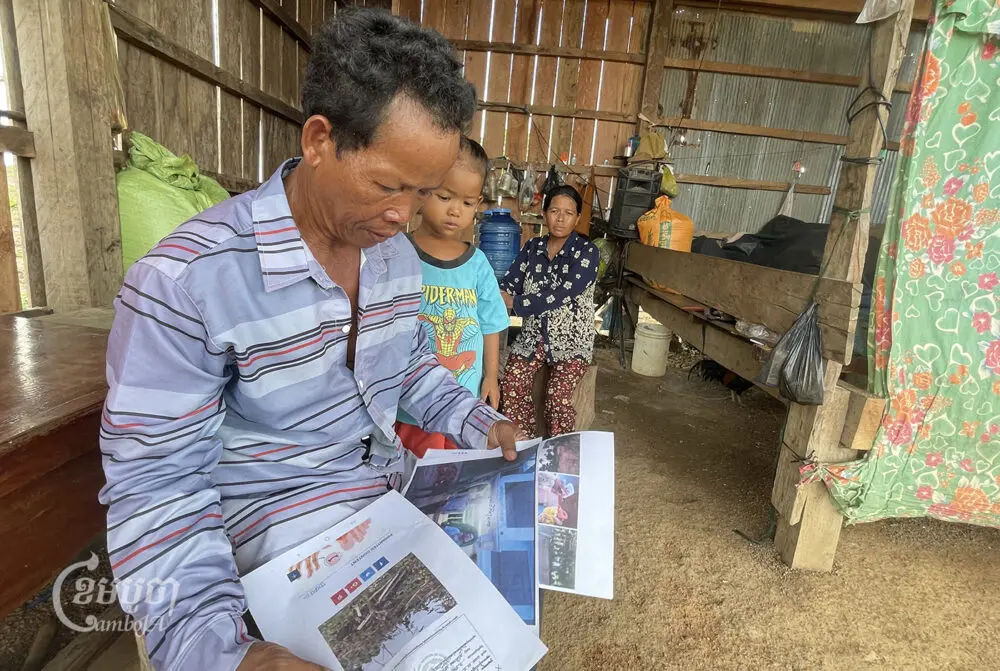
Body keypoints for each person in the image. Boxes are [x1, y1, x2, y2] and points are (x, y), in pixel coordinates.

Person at [98, 9, 522, 671]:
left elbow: (407, 364)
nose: (403, 215)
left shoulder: (393, 257)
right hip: (278, 557)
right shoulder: (186, 285)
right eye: (387, 185)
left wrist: (477, 421)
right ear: (321, 140)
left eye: (422, 192)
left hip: (389, 506)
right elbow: (159, 495)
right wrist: (225, 654)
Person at [395, 137, 509, 458]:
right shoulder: (399, 254)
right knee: (409, 473)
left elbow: (491, 324)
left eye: (468, 203)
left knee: (453, 469)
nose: (456, 210)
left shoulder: (477, 264)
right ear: (423, 188)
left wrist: (491, 377)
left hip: (462, 400)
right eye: (445, 196)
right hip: (408, 402)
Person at [499, 185, 600, 438]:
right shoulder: (532, 248)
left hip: (572, 341)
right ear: (544, 213)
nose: (561, 218)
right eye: (554, 210)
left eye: (568, 212)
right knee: (512, 382)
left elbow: (563, 294)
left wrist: (516, 303)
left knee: (557, 395)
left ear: (577, 218)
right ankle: (526, 446)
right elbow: (508, 283)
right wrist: (496, 294)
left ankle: (558, 452)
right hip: (532, 338)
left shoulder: (587, 252)